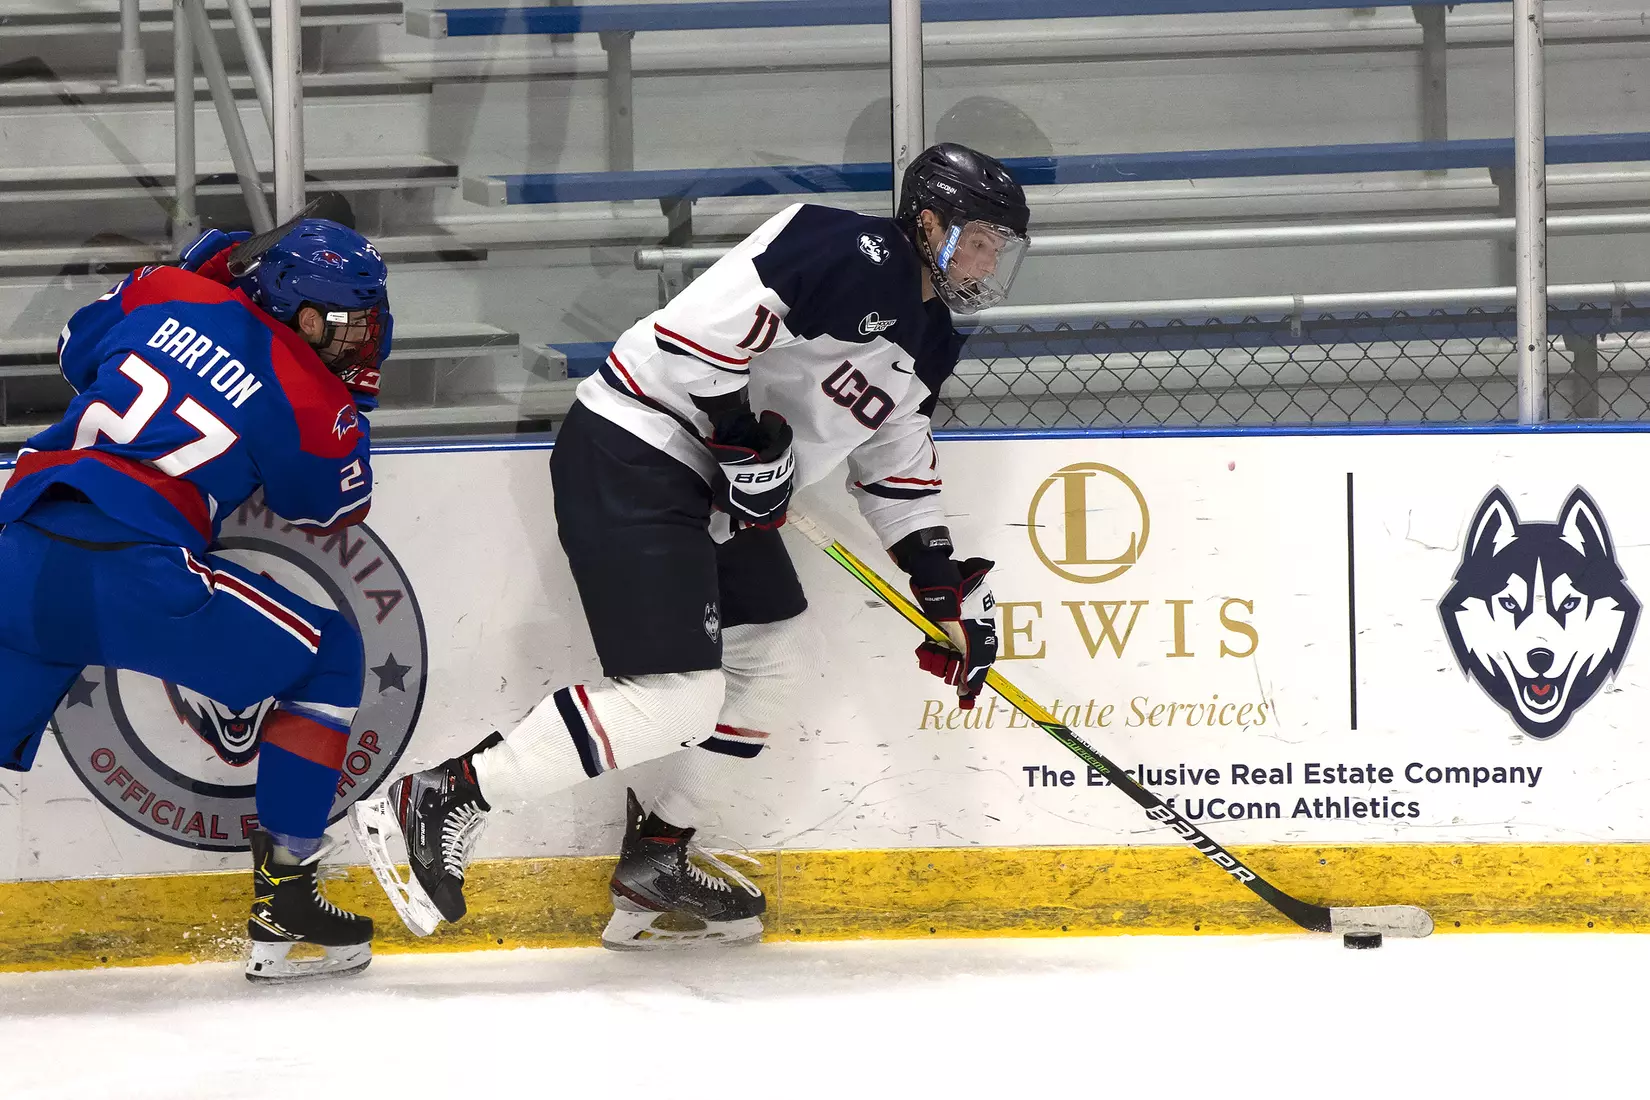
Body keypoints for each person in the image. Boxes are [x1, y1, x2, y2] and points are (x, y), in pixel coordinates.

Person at [353, 142, 1029, 949]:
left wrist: (939, 580)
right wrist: (741, 436)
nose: (988, 263)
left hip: (713, 492)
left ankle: (659, 857)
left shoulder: (932, 338)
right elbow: (696, 335)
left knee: (775, 659)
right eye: (978, 240)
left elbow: (893, 458)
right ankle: (444, 795)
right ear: (928, 223)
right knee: (674, 699)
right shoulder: (841, 246)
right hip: (639, 443)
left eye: (998, 249)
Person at [0, 215, 391, 982]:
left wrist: (187, 286)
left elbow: (74, 349)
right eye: (345, 320)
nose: (359, 336)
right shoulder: (310, 393)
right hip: (137, 575)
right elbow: (333, 508)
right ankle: (286, 900)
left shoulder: (165, 290)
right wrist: (348, 408)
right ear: (300, 312)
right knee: (331, 656)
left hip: (16, 552)